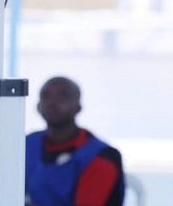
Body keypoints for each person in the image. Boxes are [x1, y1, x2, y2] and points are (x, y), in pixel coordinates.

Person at [25, 76, 125, 206]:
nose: (52, 103)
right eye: (45, 96)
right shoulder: (27, 144)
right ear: (38, 106)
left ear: (78, 106)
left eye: (62, 96)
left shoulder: (101, 156)